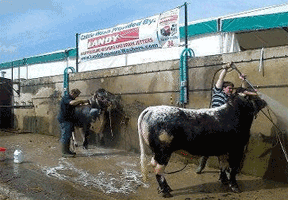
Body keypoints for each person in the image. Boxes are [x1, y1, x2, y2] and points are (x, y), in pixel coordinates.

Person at [195, 62, 235, 174]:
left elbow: (242, 92)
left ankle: (224, 169)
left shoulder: (231, 99)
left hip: (224, 125)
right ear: (223, 89)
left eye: (232, 89)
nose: (231, 90)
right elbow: (220, 79)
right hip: (212, 122)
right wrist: (225, 69)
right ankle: (201, 165)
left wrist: (243, 80)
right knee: (208, 146)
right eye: (229, 88)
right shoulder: (217, 92)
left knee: (223, 148)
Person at [58, 88, 89, 157]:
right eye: (76, 95)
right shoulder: (66, 97)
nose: (77, 97)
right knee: (65, 135)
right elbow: (72, 103)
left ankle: (67, 150)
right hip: (64, 120)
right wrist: (81, 100)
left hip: (69, 120)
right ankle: (64, 152)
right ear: (73, 93)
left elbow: (76, 105)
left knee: (68, 135)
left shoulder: (71, 98)